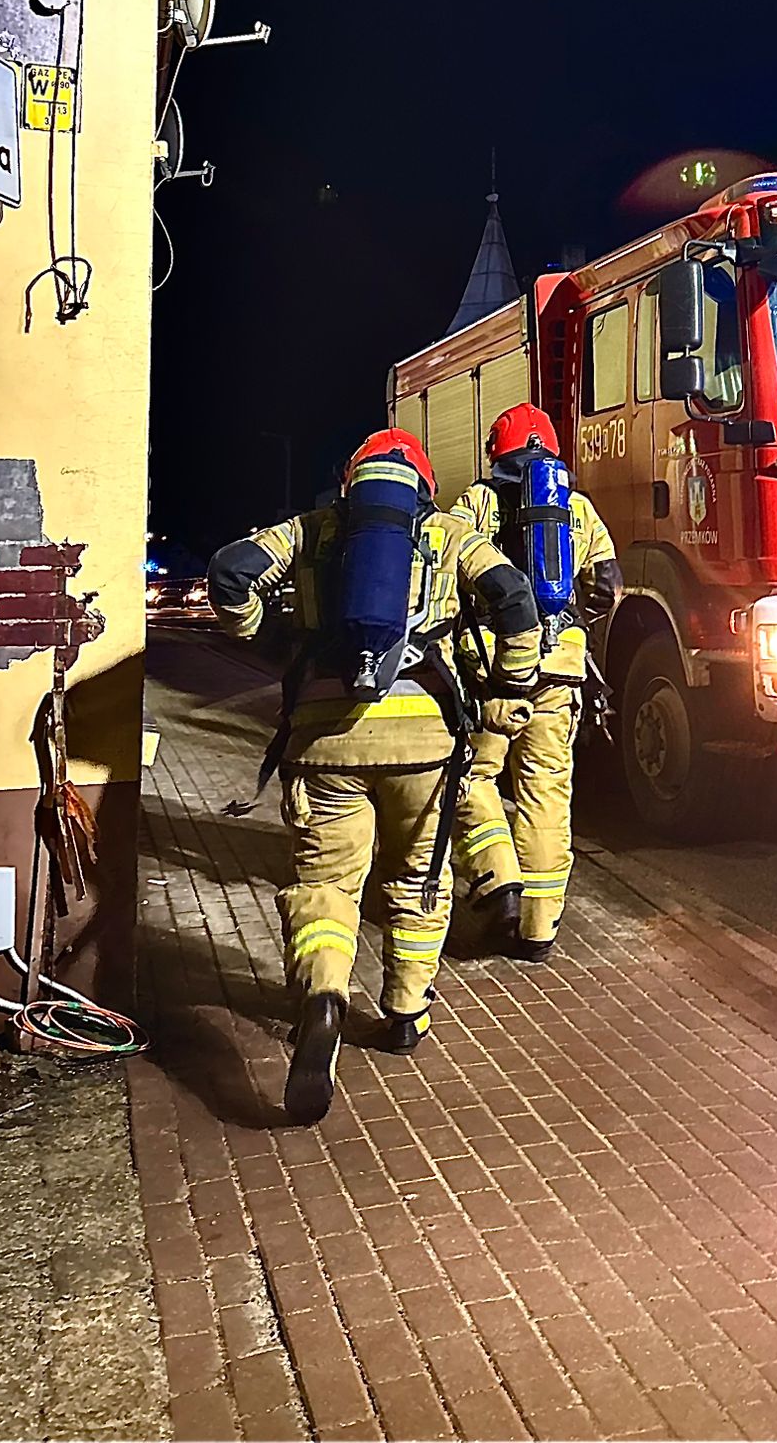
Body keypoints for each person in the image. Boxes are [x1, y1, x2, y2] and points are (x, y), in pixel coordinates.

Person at [207, 429, 540, 1123]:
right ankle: (405, 1012)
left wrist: (260, 634)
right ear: (423, 486)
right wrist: (513, 684)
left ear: (351, 484)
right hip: (425, 743)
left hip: (325, 741)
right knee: (417, 877)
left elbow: (231, 571)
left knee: (326, 885)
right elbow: (513, 597)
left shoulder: (311, 529)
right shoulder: (451, 535)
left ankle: (324, 998)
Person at [450, 403, 621, 961]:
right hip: (561, 669)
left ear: (496, 452)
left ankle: (497, 881)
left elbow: (449, 570)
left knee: (470, 775)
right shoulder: (578, 507)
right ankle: (538, 929)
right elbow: (607, 585)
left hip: (496, 670)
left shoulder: (478, 502)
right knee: (545, 793)